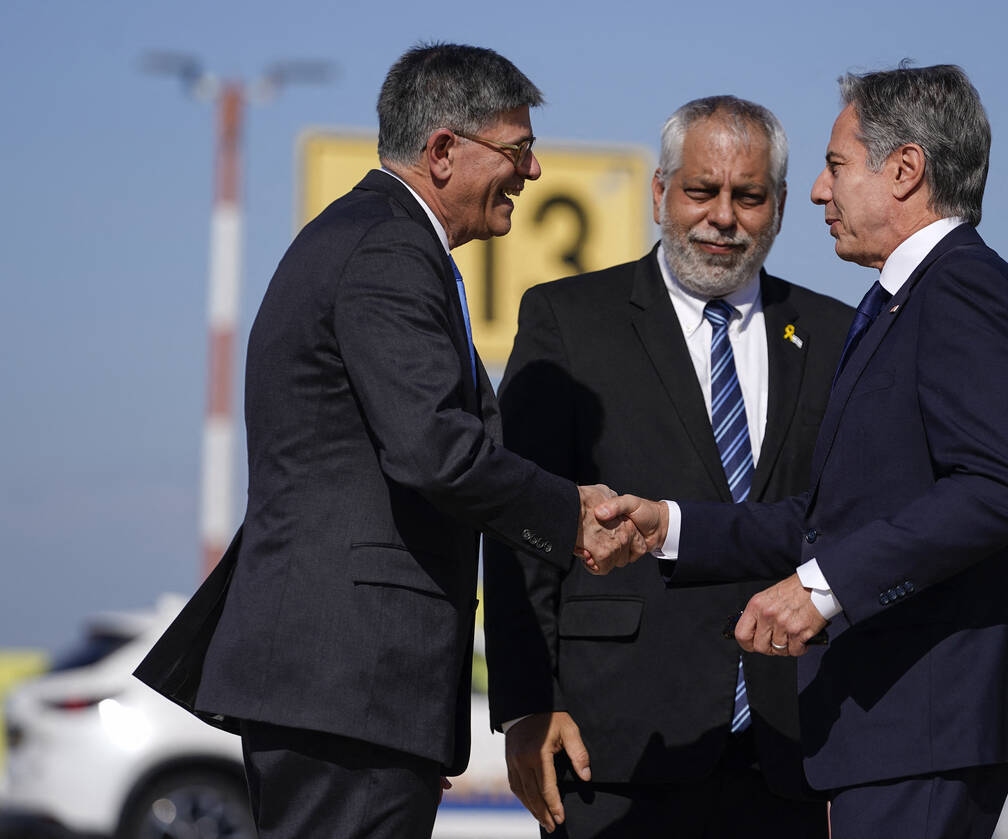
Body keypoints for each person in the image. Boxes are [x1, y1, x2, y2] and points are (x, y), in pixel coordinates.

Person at [134, 43, 638, 839]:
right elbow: (435, 449)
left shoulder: (371, 239)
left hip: (354, 691)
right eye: (518, 149)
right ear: (443, 151)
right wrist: (570, 513)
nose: (533, 172)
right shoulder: (389, 250)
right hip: (348, 684)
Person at [596, 65, 1008, 838]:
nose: (817, 190)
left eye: (837, 165)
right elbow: (830, 519)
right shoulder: (890, 307)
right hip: (892, 728)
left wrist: (822, 587)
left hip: (930, 719)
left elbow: (999, 488)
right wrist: (669, 527)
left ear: (906, 170)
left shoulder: (961, 290)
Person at [483, 96, 853, 837]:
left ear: (778, 206)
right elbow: (520, 520)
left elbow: (845, 521)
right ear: (660, 193)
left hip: (789, 750)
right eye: (701, 191)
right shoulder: (567, 319)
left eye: (748, 197)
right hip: (612, 743)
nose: (723, 217)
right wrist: (526, 704)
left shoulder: (839, 333)